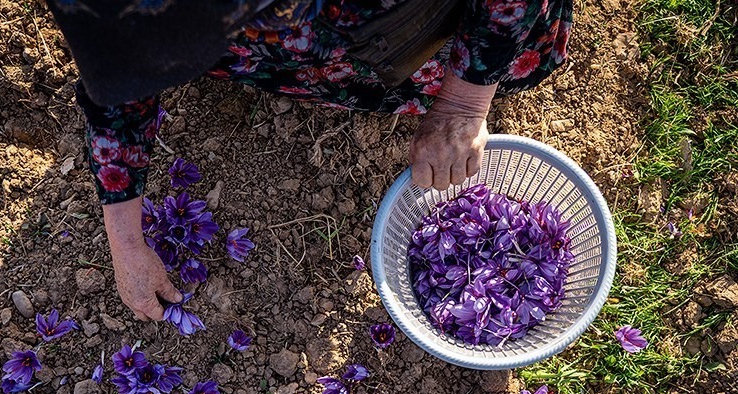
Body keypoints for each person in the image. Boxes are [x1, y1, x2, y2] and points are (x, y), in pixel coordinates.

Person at [47, 0, 572, 323]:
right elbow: (118, 88)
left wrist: (464, 100)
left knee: (513, 53)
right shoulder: (113, 12)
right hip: (279, 41)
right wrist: (125, 238)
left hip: (392, 16)